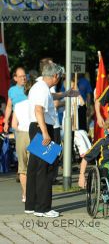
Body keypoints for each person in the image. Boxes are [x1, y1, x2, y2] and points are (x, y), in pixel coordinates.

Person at [25, 62, 75, 218]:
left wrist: (65, 94)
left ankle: (32, 205)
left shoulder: (40, 87)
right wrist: (46, 133)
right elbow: (38, 109)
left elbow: (50, 98)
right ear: (55, 76)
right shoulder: (41, 89)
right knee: (46, 170)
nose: (59, 80)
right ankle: (43, 208)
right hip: (44, 128)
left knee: (34, 168)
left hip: (38, 127)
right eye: (59, 77)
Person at [14, 79, 35, 203]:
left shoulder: (18, 105)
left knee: (22, 168)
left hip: (21, 134)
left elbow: (14, 124)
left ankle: (25, 194)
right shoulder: (37, 105)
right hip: (35, 134)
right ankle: (34, 193)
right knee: (36, 166)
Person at [3, 67, 27, 133]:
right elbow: (9, 107)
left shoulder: (30, 88)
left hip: (29, 124)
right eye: (20, 76)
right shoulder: (11, 90)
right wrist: (6, 122)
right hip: (17, 124)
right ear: (15, 78)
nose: (23, 78)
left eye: (24, 76)